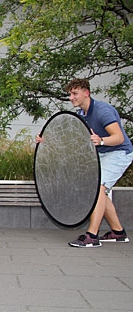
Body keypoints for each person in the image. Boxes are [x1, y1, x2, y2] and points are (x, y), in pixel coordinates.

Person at [37, 78, 133, 248]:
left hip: (119, 152)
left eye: (75, 93)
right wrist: (46, 141)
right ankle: (118, 232)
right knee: (99, 192)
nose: (71, 97)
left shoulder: (103, 111)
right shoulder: (82, 115)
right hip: (102, 154)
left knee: (99, 189)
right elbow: (76, 141)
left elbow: (118, 138)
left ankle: (92, 237)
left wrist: (101, 140)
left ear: (86, 93)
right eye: (70, 94)